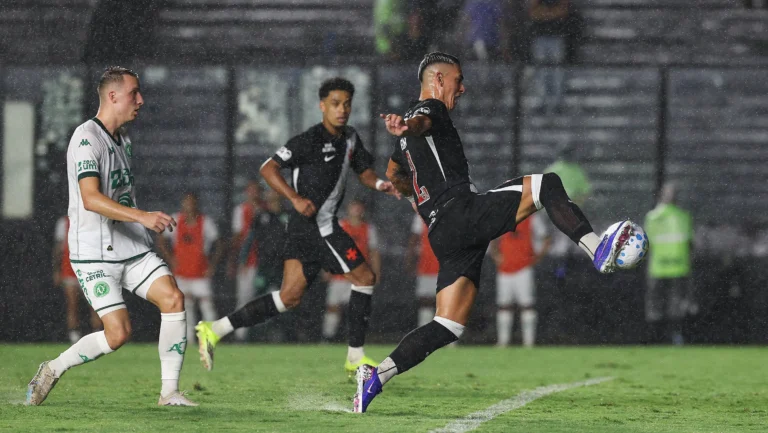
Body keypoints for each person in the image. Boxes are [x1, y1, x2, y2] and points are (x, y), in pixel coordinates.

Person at [354, 52, 635, 413]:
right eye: (458, 80)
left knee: (448, 325)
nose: (463, 87)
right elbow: (423, 120)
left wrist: (411, 188)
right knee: (547, 183)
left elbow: (395, 175)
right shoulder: (430, 109)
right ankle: (597, 249)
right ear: (438, 80)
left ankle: (375, 376)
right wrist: (412, 126)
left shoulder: (405, 137)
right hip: (462, 213)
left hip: (442, 233)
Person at [196, 78, 401, 375]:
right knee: (365, 277)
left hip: (309, 229)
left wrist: (382, 183)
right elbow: (268, 168)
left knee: (289, 296)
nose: (341, 109)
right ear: (322, 106)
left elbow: (363, 172)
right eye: (335, 104)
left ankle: (215, 329)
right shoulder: (308, 140)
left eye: (346, 104)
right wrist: (293, 197)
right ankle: (355, 356)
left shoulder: (351, 138)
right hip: (317, 227)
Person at [27, 67, 196, 406]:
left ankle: (169, 393)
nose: (141, 100)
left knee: (174, 299)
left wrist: (140, 223)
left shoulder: (124, 140)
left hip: (130, 246)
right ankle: (54, 368)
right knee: (118, 334)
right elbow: (90, 199)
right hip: (93, 253)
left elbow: (121, 198)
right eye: (135, 93)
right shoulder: (86, 138)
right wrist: (143, 216)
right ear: (113, 96)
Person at [156, 192, 224, 343]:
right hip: (181, 273)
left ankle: (209, 339)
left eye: (192, 202)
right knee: (186, 308)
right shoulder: (175, 220)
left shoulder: (205, 222)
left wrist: (212, 265)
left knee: (207, 307)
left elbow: (219, 244)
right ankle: (189, 340)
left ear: (197, 204)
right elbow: (161, 239)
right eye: (186, 202)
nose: (189, 206)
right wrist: (170, 258)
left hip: (201, 273)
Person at [322, 199, 381, 341]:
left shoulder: (369, 228)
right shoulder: (340, 226)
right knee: (333, 307)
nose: (356, 210)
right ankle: (328, 337)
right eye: (353, 206)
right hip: (341, 275)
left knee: (357, 310)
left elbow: (374, 253)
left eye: (358, 207)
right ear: (348, 209)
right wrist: (326, 269)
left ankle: (355, 339)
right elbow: (330, 250)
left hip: (360, 276)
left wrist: (377, 273)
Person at [489, 212, 551, 347]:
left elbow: (546, 239)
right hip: (504, 269)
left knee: (527, 306)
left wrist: (536, 258)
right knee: (504, 306)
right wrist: (495, 255)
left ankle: (528, 343)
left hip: (523, 269)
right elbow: (492, 238)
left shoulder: (532, 218)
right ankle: (503, 342)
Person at [644, 183, 694, 345]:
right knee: (676, 304)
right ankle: (675, 337)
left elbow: (647, 245)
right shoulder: (683, 217)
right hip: (679, 267)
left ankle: (655, 338)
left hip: (658, 267)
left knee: (656, 305)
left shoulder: (652, 218)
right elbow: (689, 243)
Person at [53, 215, 102, 344]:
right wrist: (57, 270)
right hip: (69, 270)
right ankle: (74, 335)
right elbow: (59, 247)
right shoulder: (64, 222)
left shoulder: (94, 220)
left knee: (96, 305)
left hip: (90, 270)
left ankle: (97, 334)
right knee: (72, 305)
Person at [229, 180, 263, 341]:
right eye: (250, 191)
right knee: (244, 298)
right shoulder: (240, 211)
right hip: (248, 262)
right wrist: (236, 260)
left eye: (256, 190)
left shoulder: (266, 209)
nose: (253, 194)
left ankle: (262, 334)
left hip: (264, 263)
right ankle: (241, 335)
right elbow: (238, 238)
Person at [405, 214, 440, 327]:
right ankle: (424, 332)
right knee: (426, 300)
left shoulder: (452, 211)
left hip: (446, 265)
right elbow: (413, 240)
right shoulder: (421, 215)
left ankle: (449, 337)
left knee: (447, 301)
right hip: (426, 265)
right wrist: (410, 261)